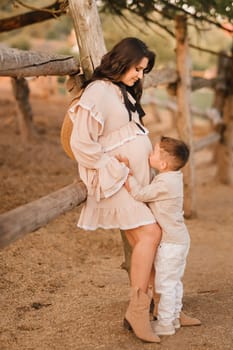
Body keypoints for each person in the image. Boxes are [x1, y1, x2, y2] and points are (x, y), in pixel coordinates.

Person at [69, 37, 162, 343]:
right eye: (137, 68)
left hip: (131, 180)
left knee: (150, 239)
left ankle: (162, 305)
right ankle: (137, 311)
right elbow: (81, 143)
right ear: (122, 61)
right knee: (150, 234)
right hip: (111, 179)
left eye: (144, 70)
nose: (140, 75)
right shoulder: (98, 92)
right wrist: (114, 167)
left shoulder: (122, 92)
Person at [123, 136, 201, 336]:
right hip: (179, 240)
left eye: (154, 152)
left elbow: (139, 194)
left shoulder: (165, 183)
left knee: (165, 284)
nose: (150, 154)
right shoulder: (171, 177)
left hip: (172, 243)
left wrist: (127, 175)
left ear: (163, 164)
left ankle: (165, 324)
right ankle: (173, 317)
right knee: (174, 282)